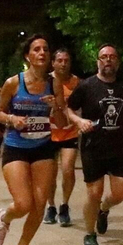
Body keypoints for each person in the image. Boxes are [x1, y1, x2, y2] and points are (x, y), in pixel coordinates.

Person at [0, 35, 68, 245]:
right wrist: (12, 118)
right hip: (16, 147)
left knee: (39, 205)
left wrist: (55, 106)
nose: (42, 53)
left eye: (45, 49)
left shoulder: (54, 85)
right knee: (23, 203)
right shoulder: (14, 83)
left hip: (43, 147)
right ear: (28, 56)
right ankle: (5, 217)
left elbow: (62, 123)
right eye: (36, 49)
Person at [67, 45, 123, 245]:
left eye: (112, 57)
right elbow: (68, 108)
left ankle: (104, 210)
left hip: (119, 147)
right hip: (93, 146)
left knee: (120, 193)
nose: (108, 60)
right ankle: (90, 234)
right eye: (104, 57)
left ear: (118, 62)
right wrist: (79, 121)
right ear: (98, 61)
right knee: (94, 193)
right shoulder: (86, 86)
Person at [45, 48, 82, 228]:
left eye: (66, 60)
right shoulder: (45, 81)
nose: (63, 63)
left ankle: (64, 205)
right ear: (53, 63)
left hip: (70, 132)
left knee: (68, 169)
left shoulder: (77, 83)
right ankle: (50, 206)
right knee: (50, 174)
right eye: (59, 60)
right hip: (49, 132)